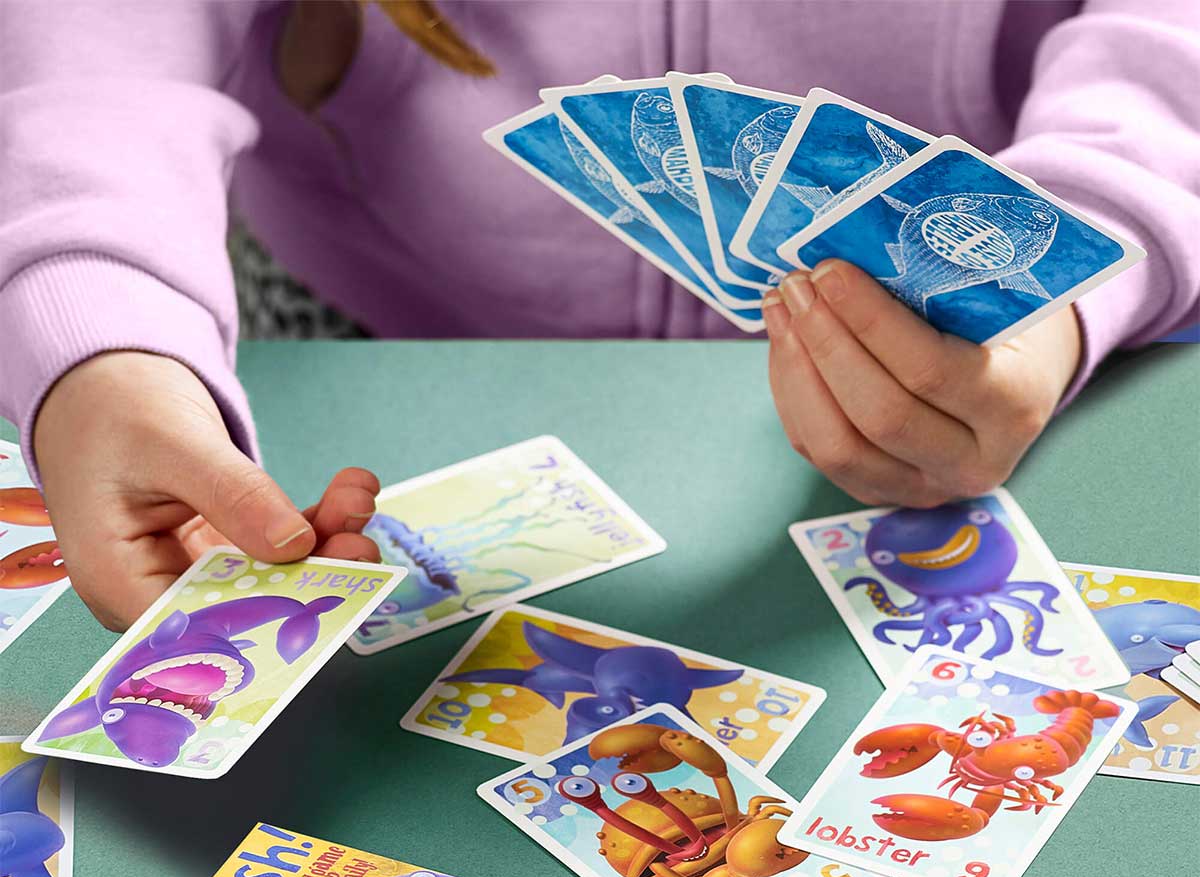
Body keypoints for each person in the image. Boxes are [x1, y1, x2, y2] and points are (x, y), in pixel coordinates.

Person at [2, 1, 1197, 630]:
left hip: (999, 356)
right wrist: (101, 323)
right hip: (354, 311)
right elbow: (93, 32)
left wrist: (1068, 266)